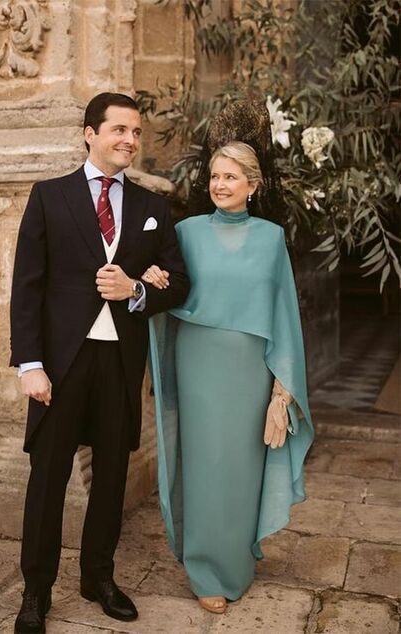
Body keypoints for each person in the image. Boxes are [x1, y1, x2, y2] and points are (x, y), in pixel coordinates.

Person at [10, 92, 189, 633]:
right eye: (119, 130)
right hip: (60, 366)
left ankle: (98, 578)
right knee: (48, 480)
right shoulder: (49, 196)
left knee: (112, 476)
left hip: (118, 362)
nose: (130, 140)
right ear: (91, 133)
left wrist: (135, 289)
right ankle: (35, 593)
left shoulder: (152, 207)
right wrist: (30, 364)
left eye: (135, 131)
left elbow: (178, 283)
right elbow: (27, 287)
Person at [147, 139, 314, 614]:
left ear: (252, 186)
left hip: (250, 369)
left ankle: (237, 560)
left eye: (231, 177)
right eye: (215, 176)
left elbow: (283, 312)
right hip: (199, 363)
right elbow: (168, 286)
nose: (219, 185)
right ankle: (203, 569)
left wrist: (281, 392)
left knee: (242, 467)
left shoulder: (270, 237)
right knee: (204, 465)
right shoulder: (186, 231)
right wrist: (154, 279)